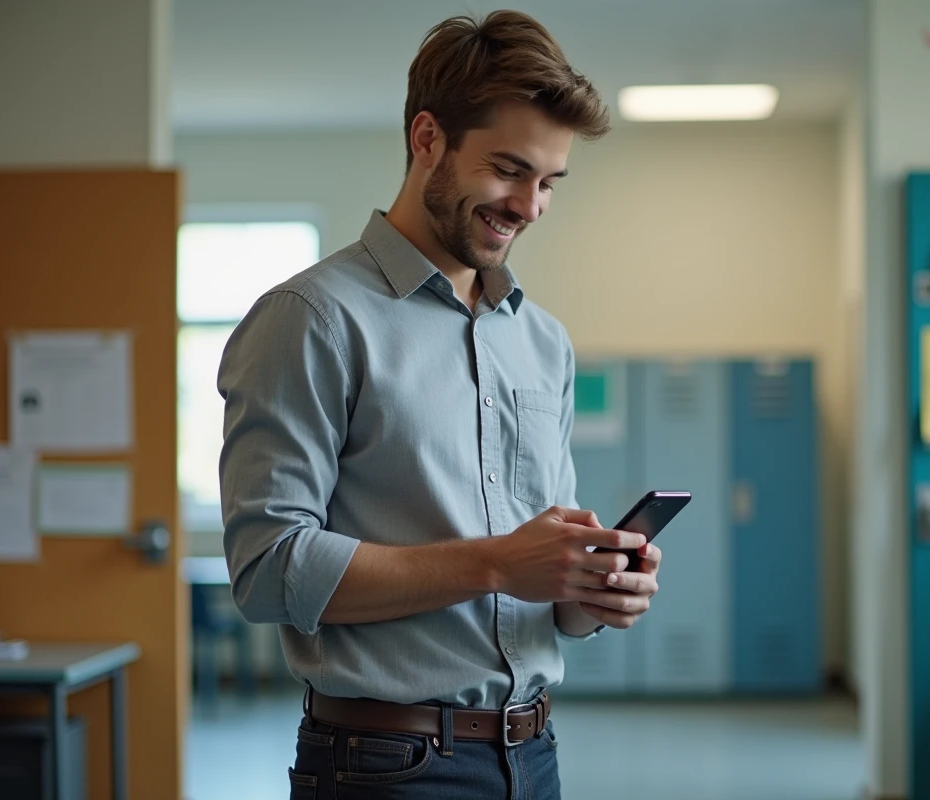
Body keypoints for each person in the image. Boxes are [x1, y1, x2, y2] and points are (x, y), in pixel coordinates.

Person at [217, 10, 662, 800]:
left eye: (550, 182)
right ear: (428, 138)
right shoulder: (311, 319)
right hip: (387, 765)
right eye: (509, 169)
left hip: (533, 753)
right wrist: (494, 562)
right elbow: (267, 568)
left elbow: (544, 593)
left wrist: (590, 590)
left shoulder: (542, 341)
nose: (530, 205)